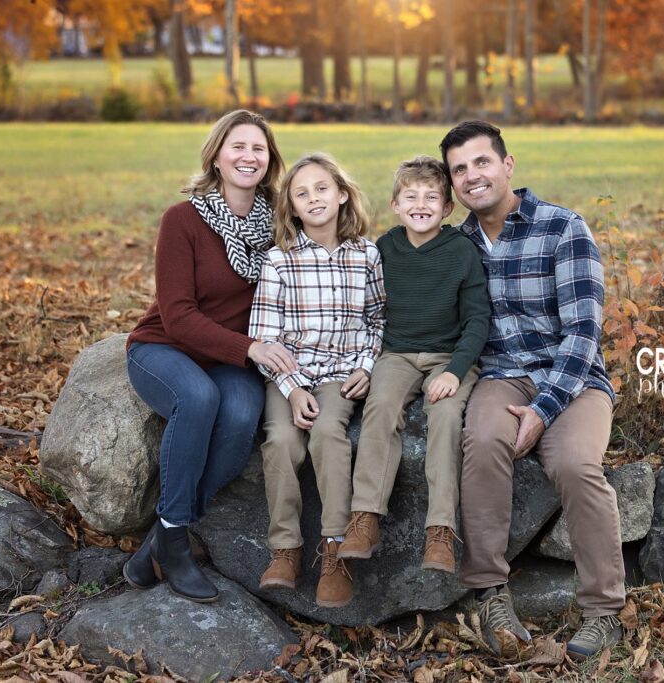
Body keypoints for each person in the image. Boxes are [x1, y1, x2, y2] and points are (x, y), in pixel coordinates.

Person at [439, 121, 625, 659]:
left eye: (481, 162)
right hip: (500, 375)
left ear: (507, 164)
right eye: (459, 170)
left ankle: (603, 610)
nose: (472, 176)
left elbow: (584, 334)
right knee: (484, 440)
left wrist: (544, 410)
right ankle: (490, 591)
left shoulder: (563, 229)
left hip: (574, 377)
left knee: (573, 464)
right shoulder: (457, 246)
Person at [122, 110, 297, 603]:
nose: (248, 156)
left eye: (258, 149)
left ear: (269, 160)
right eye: (237, 147)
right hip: (166, 347)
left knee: (242, 415)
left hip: (231, 358)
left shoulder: (280, 223)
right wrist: (251, 348)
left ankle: (159, 541)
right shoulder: (183, 220)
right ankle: (176, 543)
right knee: (198, 399)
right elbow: (177, 316)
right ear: (217, 156)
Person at [339, 155, 489, 573]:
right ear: (396, 205)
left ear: (447, 208)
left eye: (431, 197)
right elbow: (365, 307)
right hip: (397, 353)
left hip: (450, 355)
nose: (420, 204)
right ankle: (365, 516)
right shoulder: (385, 248)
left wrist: (455, 371)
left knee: (444, 417)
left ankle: (439, 529)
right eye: (411, 196)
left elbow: (478, 319)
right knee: (381, 406)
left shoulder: (461, 251)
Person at [249, 153, 385, 608]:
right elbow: (264, 337)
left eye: (322, 188)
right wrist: (291, 390)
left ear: (342, 193)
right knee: (283, 444)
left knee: (328, 433)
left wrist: (366, 365)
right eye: (302, 193)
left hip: (341, 374)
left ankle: (334, 550)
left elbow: (379, 318)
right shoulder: (279, 261)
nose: (314, 199)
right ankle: (286, 549)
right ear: (291, 206)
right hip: (289, 375)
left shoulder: (367, 254)